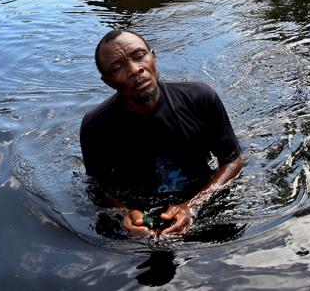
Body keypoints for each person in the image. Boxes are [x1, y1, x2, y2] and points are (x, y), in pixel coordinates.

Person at [80, 29, 243, 236]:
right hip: (139, 202)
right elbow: (98, 185)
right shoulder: (95, 126)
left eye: (140, 56)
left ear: (153, 57)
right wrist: (123, 213)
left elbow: (233, 160)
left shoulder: (200, 99)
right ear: (107, 81)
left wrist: (193, 206)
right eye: (118, 66)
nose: (135, 70)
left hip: (199, 193)